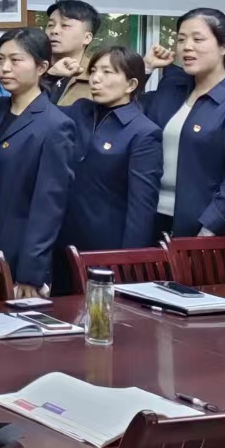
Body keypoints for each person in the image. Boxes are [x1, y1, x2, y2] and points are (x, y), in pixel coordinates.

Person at [144, 8, 225, 238]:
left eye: (198, 39)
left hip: (201, 228)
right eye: (181, 39)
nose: (186, 47)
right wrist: (146, 68)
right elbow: (129, 116)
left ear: (224, 46)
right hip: (151, 216)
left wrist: (208, 229)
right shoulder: (171, 88)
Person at [0, 27, 78, 295]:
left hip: (16, 254)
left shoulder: (55, 125)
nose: (5, 68)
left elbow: (48, 206)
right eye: (0, 59)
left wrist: (31, 272)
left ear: (42, 67)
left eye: (16, 60)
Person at [57, 46, 162, 289]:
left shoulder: (144, 132)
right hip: (63, 242)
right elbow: (39, 110)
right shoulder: (80, 110)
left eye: (107, 72)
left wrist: (128, 263)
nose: (96, 78)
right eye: (94, 70)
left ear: (130, 84)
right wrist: (53, 77)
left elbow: (141, 208)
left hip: (106, 249)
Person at [42, 0, 100, 107]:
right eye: (50, 25)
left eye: (65, 25)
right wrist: (48, 77)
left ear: (87, 38)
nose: (54, 31)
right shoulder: (33, 70)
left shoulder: (97, 78)